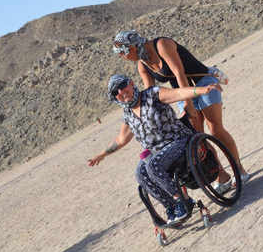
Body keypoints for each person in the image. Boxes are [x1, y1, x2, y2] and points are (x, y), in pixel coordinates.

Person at [111, 30, 250, 189]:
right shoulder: (142, 65)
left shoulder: (161, 45)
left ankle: (240, 170)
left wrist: (188, 102)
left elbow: (179, 73)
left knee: (216, 129)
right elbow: (151, 96)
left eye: (123, 53)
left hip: (203, 82)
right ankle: (221, 176)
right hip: (183, 93)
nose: (123, 57)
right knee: (198, 138)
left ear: (132, 47)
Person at [88, 74, 223, 224]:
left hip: (178, 141)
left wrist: (202, 90)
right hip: (156, 151)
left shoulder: (152, 95)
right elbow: (121, 139)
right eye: (115, 92)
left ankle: (183, 200)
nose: (120, 92)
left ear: (131, 83)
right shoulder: (128, 114)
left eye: (121, 86)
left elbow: (178, 93)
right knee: (140, 173)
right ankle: (171, 205)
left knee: (153, 166)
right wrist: (101, 155)